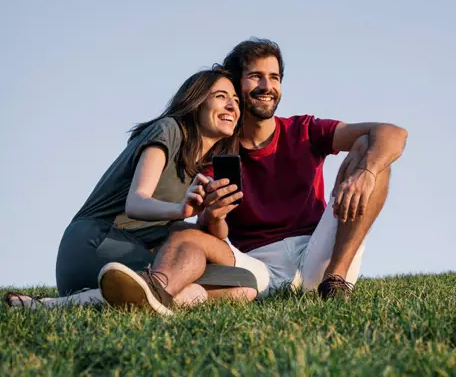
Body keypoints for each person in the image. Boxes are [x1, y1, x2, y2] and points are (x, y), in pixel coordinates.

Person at [4, 67, 257, 314]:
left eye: (236, 100)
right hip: (95, 242)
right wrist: (181, 210)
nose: (232, 107)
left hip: (132, 252)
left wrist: (216, 215)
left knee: (242, 285)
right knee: (188, 249)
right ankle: (60, 305)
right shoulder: (169, 130)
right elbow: (136, 202)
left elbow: (212, 238)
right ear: (196, 102)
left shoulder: (199, 167)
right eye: (221, 96)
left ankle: (131, 297)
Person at [199, 37, 408, 300]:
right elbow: (208, 226)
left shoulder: (304, 130)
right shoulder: (217, 153)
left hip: (316, 253)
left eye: (274, 77)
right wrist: (211, 215)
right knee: (194, 278)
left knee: (369, 148)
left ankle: (336, 282)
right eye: (256, 76)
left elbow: (392, 133)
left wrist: (367, 172)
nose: (267, 86)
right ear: (234, 84)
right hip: (258, 266)